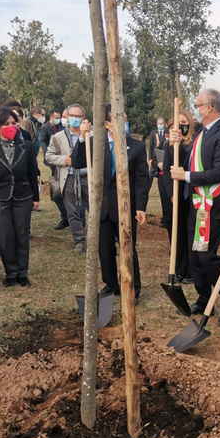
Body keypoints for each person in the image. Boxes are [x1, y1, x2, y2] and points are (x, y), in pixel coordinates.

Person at [169, 89, 220, 321]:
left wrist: (186, 177)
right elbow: (190, 160)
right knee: (195, 256)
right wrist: (177, 145)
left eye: (198, 105)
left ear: (209, 107)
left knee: (206, 257)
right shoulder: (203, 133)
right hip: (198, 205)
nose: (196, 109)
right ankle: (203, 299)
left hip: (213, 205)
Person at [73, 106, 149, 301]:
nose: (124, 123)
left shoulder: (137, 147)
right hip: (101, 207)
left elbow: (142, 180)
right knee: (104, 249)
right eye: (118, 119)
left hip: (125, 207)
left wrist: (140, 207)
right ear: (107, 123)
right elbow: (77, 161)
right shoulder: (95, 144)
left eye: (125, 119)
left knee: (128, 248)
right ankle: (111, 284)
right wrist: (82, 137)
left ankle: (133, 287)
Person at [0, 107, 40, 287]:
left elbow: (31, 173)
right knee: (5, 236)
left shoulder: (26, 146)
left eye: (14, 123)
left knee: (22, 235)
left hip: (23, 196)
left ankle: (23, 273)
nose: (11, 127)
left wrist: (36, 197)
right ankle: (11, 272)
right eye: (6, 124)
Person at [46, 104, 89, 254]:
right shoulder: (58, 137)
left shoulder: (92, 135)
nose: (75, 119)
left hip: (88, 178)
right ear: (67, 117)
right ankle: (79, 242)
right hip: (69, 178)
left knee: (96, 210)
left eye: (78, 116)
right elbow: (49, 156)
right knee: (73, 212)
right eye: (72, 116)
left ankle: (99, 238)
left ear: (83, 118)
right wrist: (64, 159)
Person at [163, 108, 196, 283]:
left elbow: (186, 163)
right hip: (176, 194)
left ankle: (191, 270)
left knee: (190, 231)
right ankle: (179, 269)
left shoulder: (195, 142)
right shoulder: (169, 143)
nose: (181, 127)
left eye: (184, 123)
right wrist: (171, 195)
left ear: (189, 124)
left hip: (191, 192)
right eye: (177, 124)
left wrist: (179, 144)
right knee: (178, 233)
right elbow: (168, 171)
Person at [40, 110, 69, 229]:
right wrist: (49, 155)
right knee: (56, 191)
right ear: (51, 117)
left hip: (65, 162)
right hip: (54, 161)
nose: (59, 119)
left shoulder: (60, 127)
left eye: (60, 117)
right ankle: (65, 217)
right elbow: (42, 141)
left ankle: (73, 219)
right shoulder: (45, 128)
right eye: (57, 117)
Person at [151, 118, 173, 237]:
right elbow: (155, 160)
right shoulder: (163, 144)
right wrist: (158, 165)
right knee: (168, 214)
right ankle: (172, 241)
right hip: (163, 180)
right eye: (170, 129)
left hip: (177, 181)